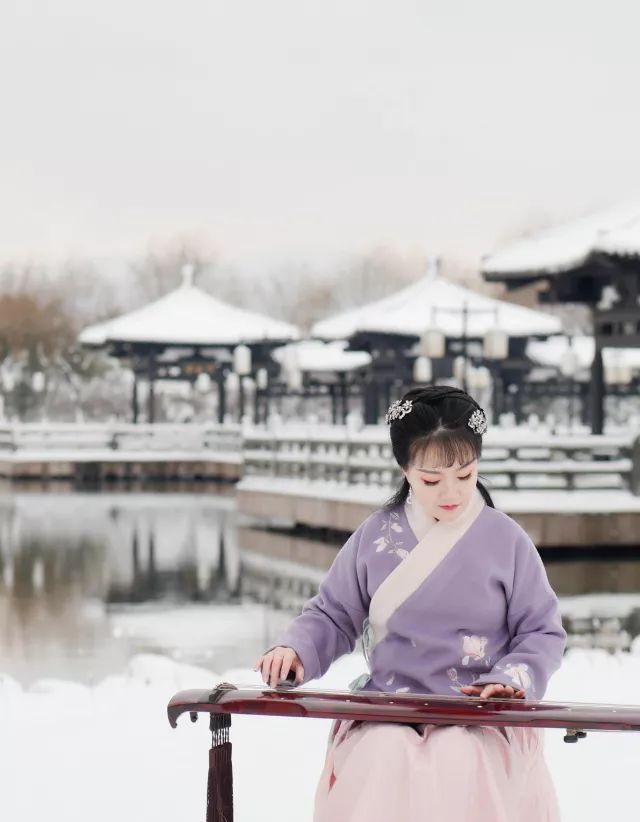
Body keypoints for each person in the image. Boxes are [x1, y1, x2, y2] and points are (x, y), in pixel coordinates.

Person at [255, 386, 566, 821]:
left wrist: (511, 679)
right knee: (385, 755)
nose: (450, 493)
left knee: (458, 756)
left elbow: (541, 630)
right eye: (431, 480)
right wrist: (297, 650)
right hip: (389, 706)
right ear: (405, 469)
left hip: (478, 710)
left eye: (465, 475)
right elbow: (334, 613)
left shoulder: (506, 540)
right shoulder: (377, 537)